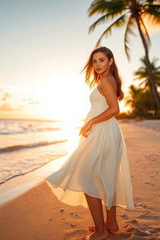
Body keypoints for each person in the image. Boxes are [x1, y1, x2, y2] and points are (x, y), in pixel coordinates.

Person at [46, 47, 135, 240]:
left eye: (101, 60)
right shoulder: (109, 79)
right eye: (94, 61)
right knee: (105, 177)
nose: (97, 65)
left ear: (110, 61)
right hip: (108, 132)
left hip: (103, 133)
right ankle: (110, 223)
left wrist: (90, 122)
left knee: (87, 179)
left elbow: (114, 109)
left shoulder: (105, 80)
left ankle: (101, 230)